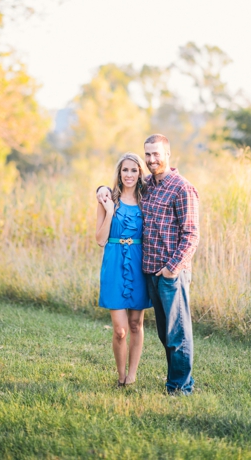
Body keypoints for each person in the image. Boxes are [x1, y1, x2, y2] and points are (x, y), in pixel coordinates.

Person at [141, 133, 200, 395]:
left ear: (167, 155)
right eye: (148, 154)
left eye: (156, 154)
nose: (151, 160)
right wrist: (102, 191)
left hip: (171, 273)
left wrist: (170, 269)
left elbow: (191, 235)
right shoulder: (148, 185)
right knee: (165, 334)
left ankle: (179, 388)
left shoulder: (182, 188)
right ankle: (178, 381)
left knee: (178, 333)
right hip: (150, 270)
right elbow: (123, 182)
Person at [95, 153, 152, 387]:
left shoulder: (147, 199)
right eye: (125, 170)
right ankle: (120, 376)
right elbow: (100, 239)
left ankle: (132, 376)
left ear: (140, 174)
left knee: (136, 324)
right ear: (119, 173)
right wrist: (109, 211)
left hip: (139, 264)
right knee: (120, 329)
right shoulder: (107, 199)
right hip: (114, 263)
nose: (129, 174)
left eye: (134, 170)